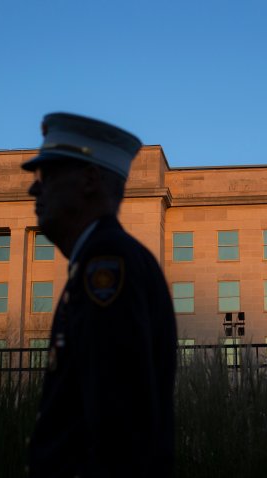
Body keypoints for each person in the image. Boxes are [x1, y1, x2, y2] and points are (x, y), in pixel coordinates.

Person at [23, 113, 177, 477]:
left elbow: (118, 419)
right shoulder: (99, 259)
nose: (34, 189)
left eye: (48, 175)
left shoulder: (107, 263)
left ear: (89, 180)